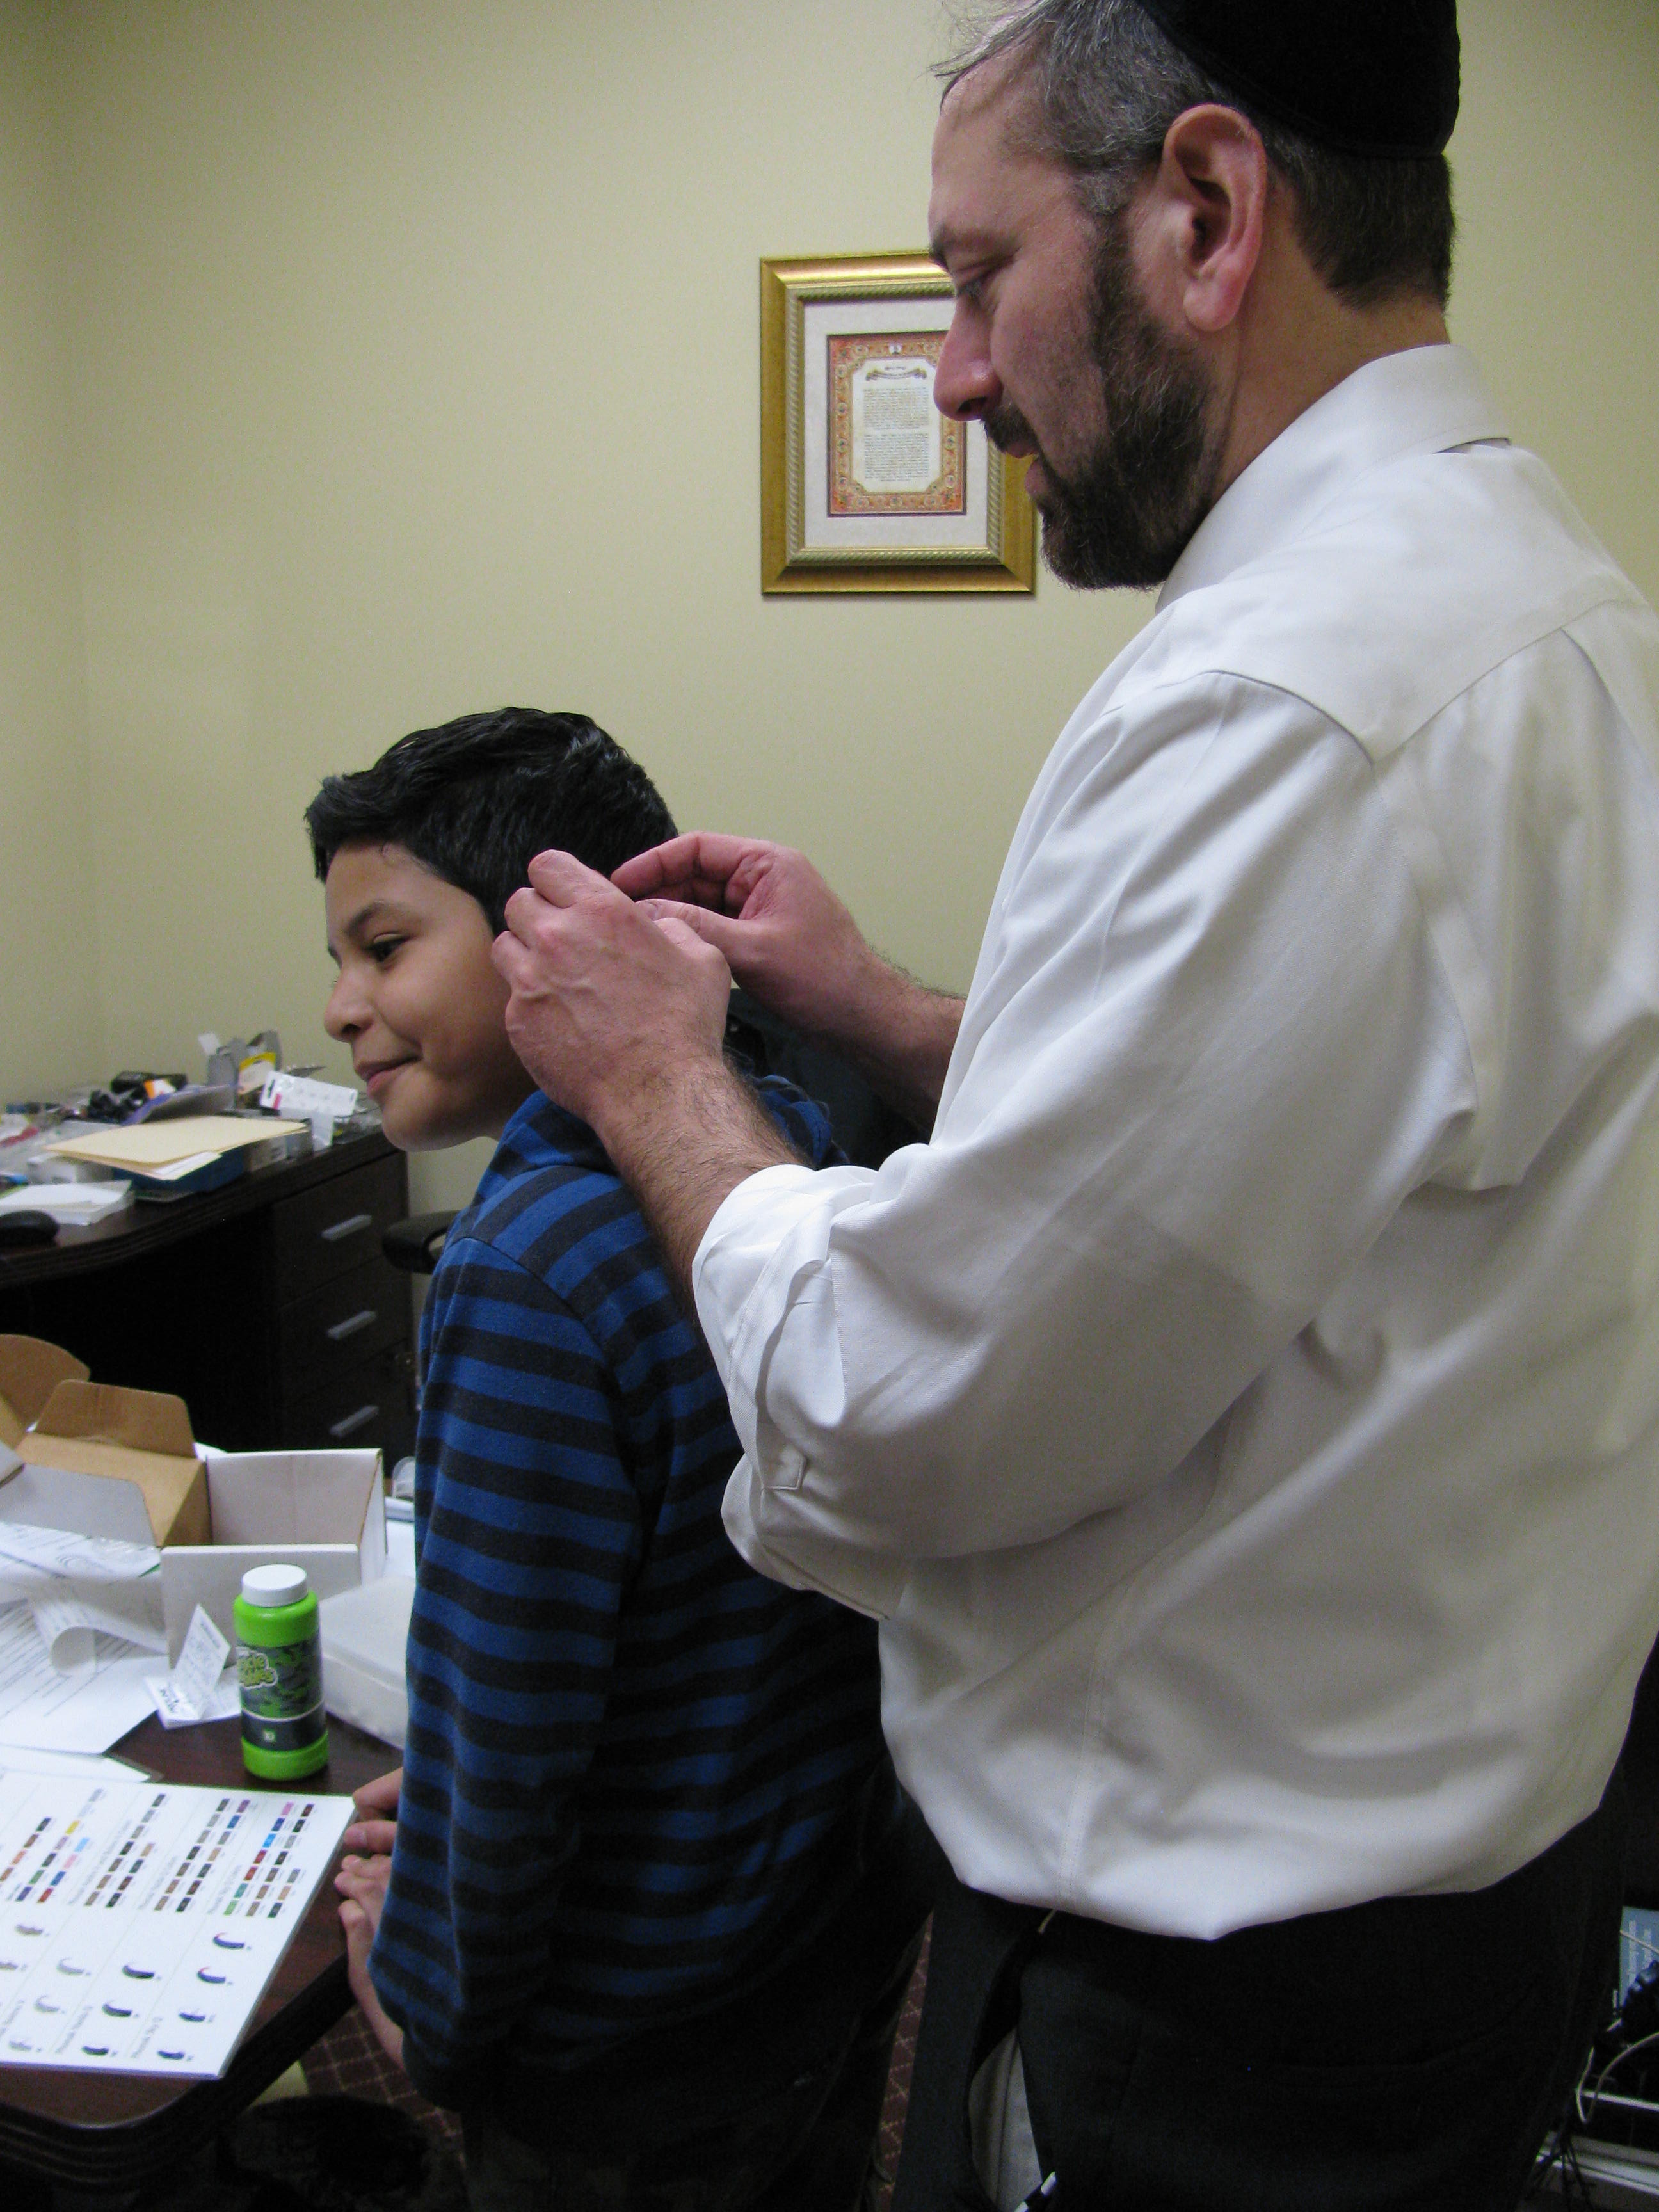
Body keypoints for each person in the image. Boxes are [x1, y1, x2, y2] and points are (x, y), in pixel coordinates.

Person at [487, 5, 1659, 2208]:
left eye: (974, 275)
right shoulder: (1541, 607)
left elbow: (900, 1405)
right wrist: (892, 1015)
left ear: (1207, 214)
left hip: (1231, 2042)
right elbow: (1313, 1156)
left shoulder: (1285, 704)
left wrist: (657, 1078)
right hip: (1459, 1929)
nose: (949, 373)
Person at [305, 707, 928, 2212]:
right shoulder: (782, 1150)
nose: (338, 1008)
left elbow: (509, 1738)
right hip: (809, 1953)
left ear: (559, 936)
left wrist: (426, 2007)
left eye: (385, 949)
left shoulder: (530, 1268)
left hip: (624, 2064)